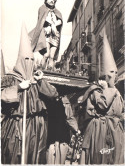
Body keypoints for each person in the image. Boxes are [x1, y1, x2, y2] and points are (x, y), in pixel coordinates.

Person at [1, 24, 59, 164]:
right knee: (14, 156)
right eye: (26, 60)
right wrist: (19, 87)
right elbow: (2, 95)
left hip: (37, 127)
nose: (29, 63)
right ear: (19, 61)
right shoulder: (11, 79)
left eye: (31, 60)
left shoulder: (37, 79)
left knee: (35, 158)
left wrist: (41, 82)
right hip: (16, 126)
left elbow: (53, 94)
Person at [79, 34, 124, 164]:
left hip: (116, 131)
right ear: (104, 74)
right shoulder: (96, 90)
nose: (114, 76)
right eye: (111, 73)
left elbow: (120, 111)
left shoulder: (117, 92)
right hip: (101, 131)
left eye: (116, 73)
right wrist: (108, 89)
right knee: (102, 158)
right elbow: (103, 105)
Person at [29, 0, 63, 70]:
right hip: (46, 35)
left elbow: (60, 21)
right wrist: (50, 25)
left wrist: (55, 24)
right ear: (46, 0)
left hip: (55, 36)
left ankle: (50, 71)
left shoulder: (57, 12)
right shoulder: (42, 8)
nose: (52, 0)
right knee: (46, 54)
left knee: (52, 56)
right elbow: (42, 19)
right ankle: (41, 70)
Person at [45, 94, 80, 164]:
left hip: (62, 136)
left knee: (60, 159)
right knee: (50, 159)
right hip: (50, 136)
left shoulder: (65, 102)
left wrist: (76, 130)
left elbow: (70, 117)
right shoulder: (46, 100)